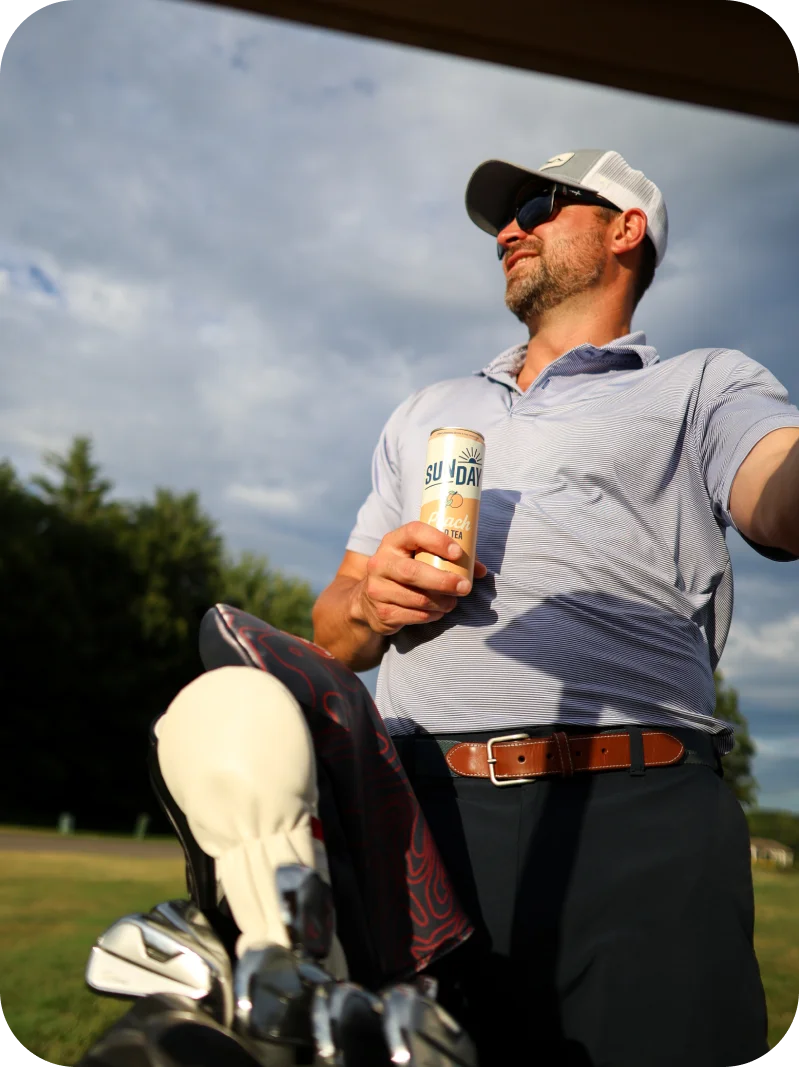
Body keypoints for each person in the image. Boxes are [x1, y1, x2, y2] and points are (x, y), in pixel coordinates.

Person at [312, 148, 799, 1067]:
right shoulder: (428, 410)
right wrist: (373, 596)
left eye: (538, 205)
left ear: (625, 230)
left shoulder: (704, 384)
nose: (508, 229)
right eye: (504, 217)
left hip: (640, 817)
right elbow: (332, 632)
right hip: (422, 814)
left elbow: (778, 501)